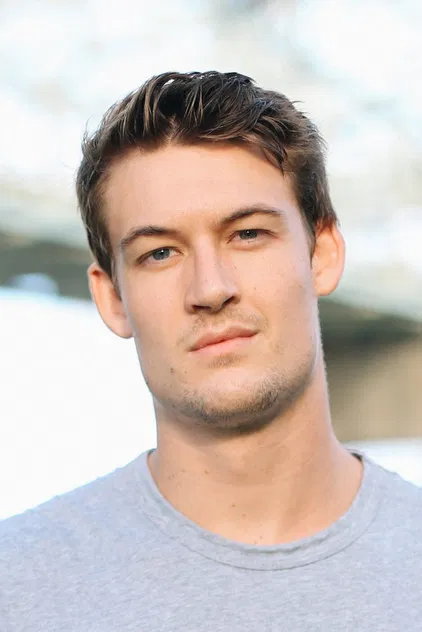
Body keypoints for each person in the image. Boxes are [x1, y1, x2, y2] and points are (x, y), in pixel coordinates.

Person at [1, 71, 421, 631]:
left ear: (321, 254)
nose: (210, 288)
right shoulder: (16, 588)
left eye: (247, 234)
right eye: (159, 253)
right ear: (111, 298)